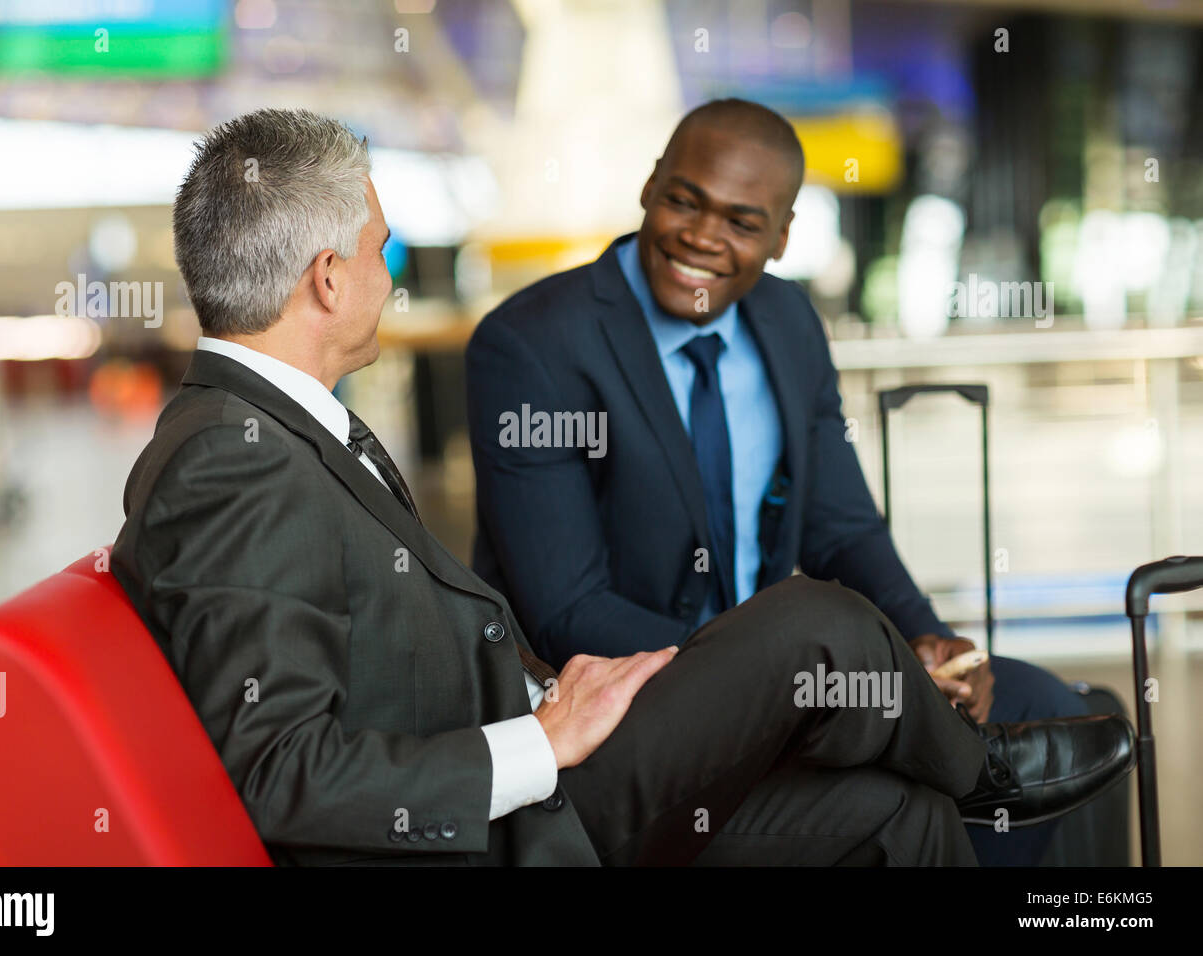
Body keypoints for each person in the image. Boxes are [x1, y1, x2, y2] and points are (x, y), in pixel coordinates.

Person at [111, 108, 1134, 867]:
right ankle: (982, 766)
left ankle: (957, 757)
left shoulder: (277, 430)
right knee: (811, 626)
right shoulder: (233, 457)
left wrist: (541, 701)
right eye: (382, 248)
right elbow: (281, 771)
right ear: (328, 279)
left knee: (898, 819)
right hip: (512, 822)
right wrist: (536, 739)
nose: (395, 272)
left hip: (545, 753)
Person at [464, 98, 1109, 865]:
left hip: (798, 668)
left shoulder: (787, 323)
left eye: (741, 222)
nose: (702, 237)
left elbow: (843, 529)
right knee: (910, 773)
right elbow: (567, 609)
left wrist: (927, 641)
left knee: (1047, 706)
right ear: (649, 187)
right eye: (683, 200)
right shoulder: (532, 343)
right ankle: (975, 771)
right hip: (628, 703)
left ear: (781, 237)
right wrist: (760, 682)